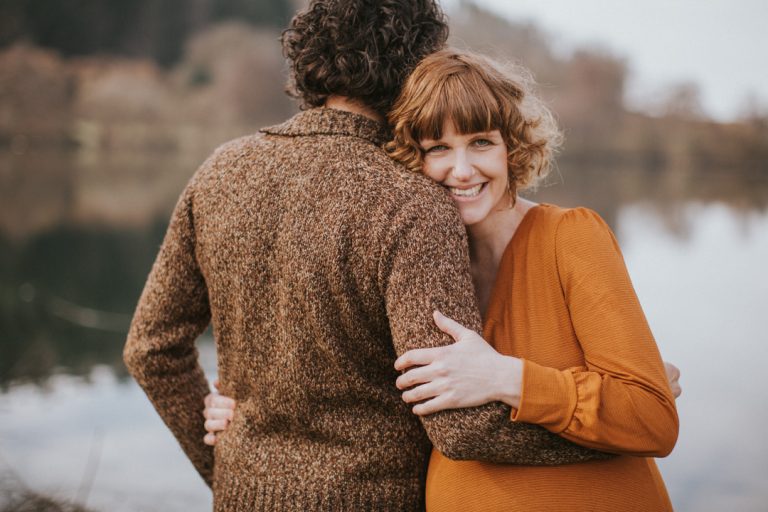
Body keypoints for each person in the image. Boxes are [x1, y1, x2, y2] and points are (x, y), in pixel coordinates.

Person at [123, 3, 609, 512]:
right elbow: (460, 426)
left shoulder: (221, 171)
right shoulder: (413, 203)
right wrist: (606, 434)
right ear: (417, 68)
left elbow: (150, 349)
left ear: (306, 57)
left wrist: (222, 463)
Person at [203, 49, 680, 511]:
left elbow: (651, 418)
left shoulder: (570, 237)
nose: (463, 170)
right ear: (412, 158)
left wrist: (506, 377)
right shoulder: (415, 256)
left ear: (512, 146)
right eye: (438, 149)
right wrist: (241, 406)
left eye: (481, 142)